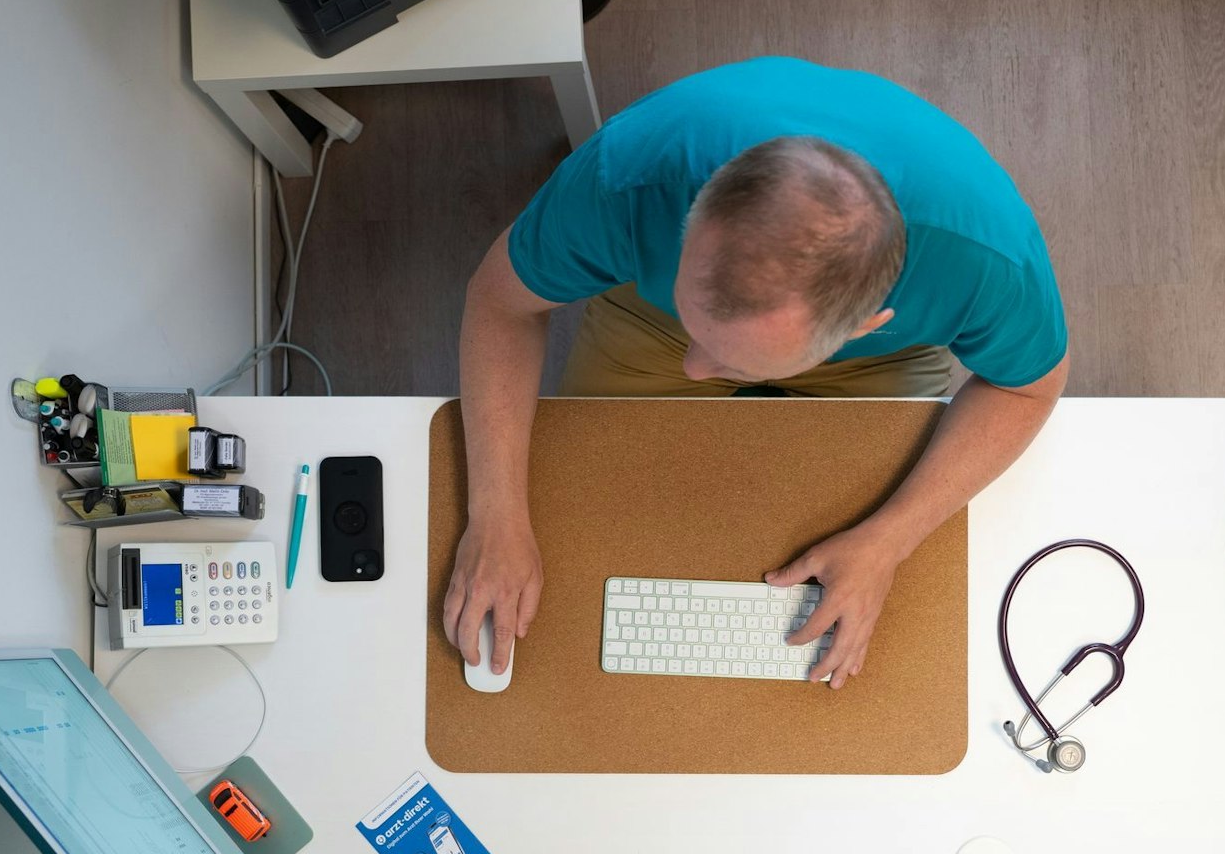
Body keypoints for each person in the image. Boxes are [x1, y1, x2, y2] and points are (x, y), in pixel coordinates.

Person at [442, 57, 1069, 689]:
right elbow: (500, 303)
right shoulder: (625, 178)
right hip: (652, 316)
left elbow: (1029, 387)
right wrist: (495, 514)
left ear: (862, 324)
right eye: (702, 335)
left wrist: (890, 539)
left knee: (876, 544)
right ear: (693, 222)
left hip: (886, 360)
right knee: (587, 496)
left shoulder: (988, 261)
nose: (694, 373)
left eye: (730, 364)